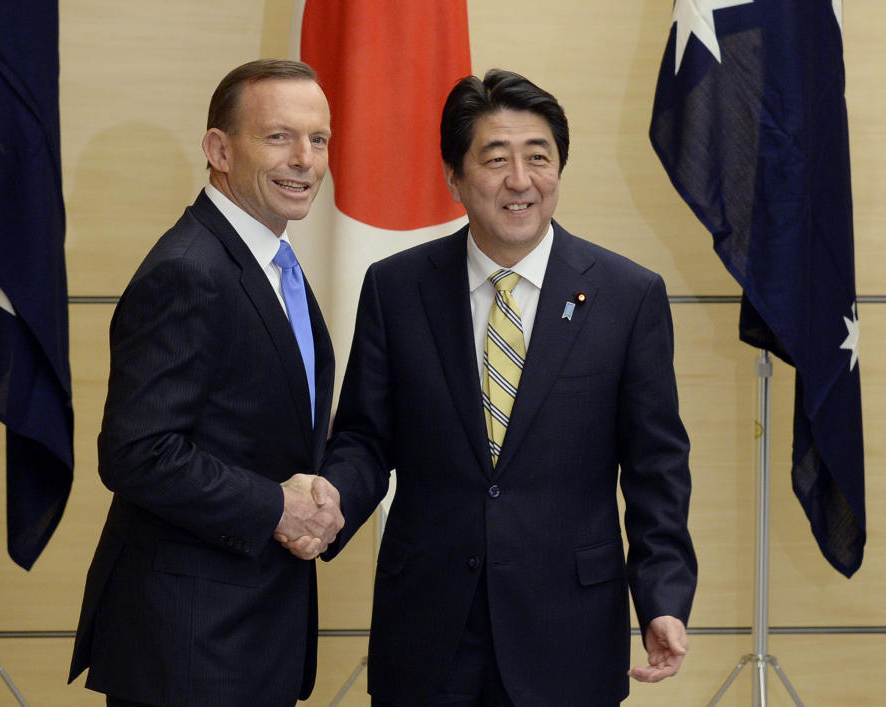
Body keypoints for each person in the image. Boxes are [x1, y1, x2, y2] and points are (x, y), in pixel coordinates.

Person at [287, 69, 698, 706]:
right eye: (496, 158)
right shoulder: (397, 289)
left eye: (540, 158)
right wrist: (331, 500)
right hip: (427, 629)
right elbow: (367, 437)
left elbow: (657, 469)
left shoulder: (628, 296)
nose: (520, 181)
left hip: (568, 632)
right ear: (453, 176)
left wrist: (663, 598)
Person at [69, 59, 343, 707]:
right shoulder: (190, 269)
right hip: (188, 645)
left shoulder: (270, 260)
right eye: (279, 136)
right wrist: (276, 505)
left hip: (246, 637)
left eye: (319, 139)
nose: (304, 159)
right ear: (219, 149)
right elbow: (137, 453)